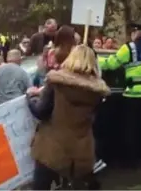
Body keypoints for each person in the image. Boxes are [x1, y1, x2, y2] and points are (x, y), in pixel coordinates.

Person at [28, 45, 110, 190]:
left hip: (52, 147)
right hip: (81, 149)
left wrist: (31, 98)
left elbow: (41, 111)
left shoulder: (56, 83)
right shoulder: (97, 92)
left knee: (41, 186)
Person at [98, 23, 141, 168]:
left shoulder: (129, 48)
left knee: (132, 130)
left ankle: (131, 162)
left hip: (135, 95)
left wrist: (94, 59)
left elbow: (111, 64)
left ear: (134, 33)